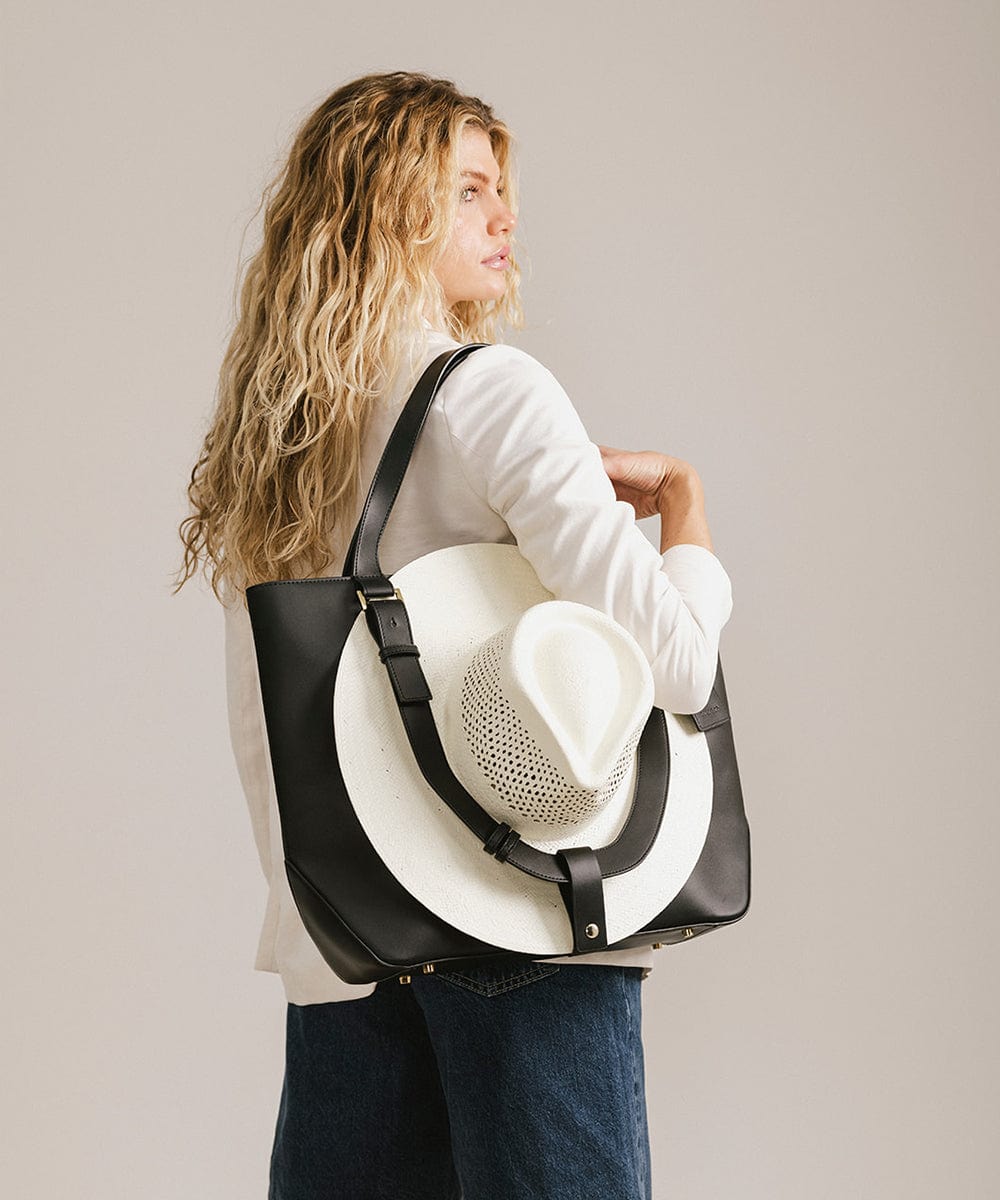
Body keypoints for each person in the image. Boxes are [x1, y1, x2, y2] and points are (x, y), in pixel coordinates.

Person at [176, 70, 733, 1200]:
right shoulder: (494, 395)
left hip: (349, 933)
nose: (504, 217)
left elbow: (273, 723)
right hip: (517, 912)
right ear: (389, 206)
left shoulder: (282, 439)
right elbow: (675, 660)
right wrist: (684, 503)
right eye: (469, 189)